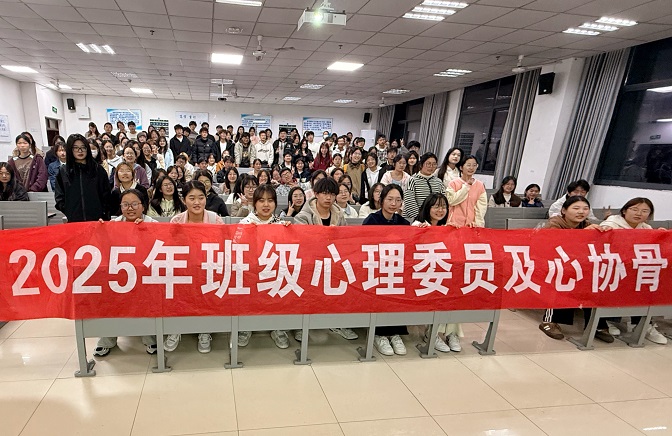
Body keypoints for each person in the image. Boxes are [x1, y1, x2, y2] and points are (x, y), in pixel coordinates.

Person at [93, 189, 158, 357]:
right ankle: (107, 339)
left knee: (146, 296)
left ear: (143, 206)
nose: (130, 208)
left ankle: (150, 338)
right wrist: (100, 230)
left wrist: (145, 231)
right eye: (125, 204)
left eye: (134, 204)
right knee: (108, 296)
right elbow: (103, 249)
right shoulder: (113, 224)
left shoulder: (153, 224)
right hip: (119, 275)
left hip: (145, 274)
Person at [539, 196, 612, 343]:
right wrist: (583, 234)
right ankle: (549, 321)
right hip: (553, 264)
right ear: (564, 210)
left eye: (585, 209)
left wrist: (605, 232)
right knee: (565, 277)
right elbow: (555, 247)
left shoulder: (587, 225)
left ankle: (596, 324)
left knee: (593, 281)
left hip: (579, 265)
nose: (581, 212)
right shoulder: (554, 223)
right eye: (576, 208)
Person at [165, 181, 224, 354]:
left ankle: (204, 331)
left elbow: (223, 246)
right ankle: (176, 328)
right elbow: (170, 249)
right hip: (183, 269)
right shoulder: (176, 221)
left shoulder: (215, 219)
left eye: (201, 197)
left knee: (207, 288)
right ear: (184, 200)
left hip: (208, 269)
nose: (197, 202)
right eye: (192, 198)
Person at [599, 197, 667, 344]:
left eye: (644, 211)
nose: (639, 214)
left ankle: (643, 324)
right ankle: (608, 320)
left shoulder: (647, 229)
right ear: (624, 210)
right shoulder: (611, 224)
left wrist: (662, 237)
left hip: (636, 270)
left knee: (648, 284)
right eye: (634, 209)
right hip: (614, 269)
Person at [294, 177, 354, 342]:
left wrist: (337, 237)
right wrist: (325, 236)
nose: (328, 198)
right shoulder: (303, 216)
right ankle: (301, 326)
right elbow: (301, 242)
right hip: (310, 263)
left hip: (333, 263)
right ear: (316, 194)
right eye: (325, 193)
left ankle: (336, 323)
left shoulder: (339, 215)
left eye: (332, 194)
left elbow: (346, 240)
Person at [239, 185, 291, 348]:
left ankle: (277, 328)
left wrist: (289, 232)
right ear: (255, 203)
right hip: (251, 272)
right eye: (261, 200)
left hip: (274, 272)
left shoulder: (282, 225)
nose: (266, 205)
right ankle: (245, 327)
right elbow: (235, 247)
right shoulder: (245, 223)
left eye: (270, 200)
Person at [362, 184, 410, 355]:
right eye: (389, 199)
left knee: (398, 294)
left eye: (397, 200)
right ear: (381, 200)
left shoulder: (404, 223)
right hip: (375, 270)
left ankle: (395, 333)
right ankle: (379, 334)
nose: (393, 203)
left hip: (396, 271)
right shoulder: (371, 220)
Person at [412, 194, 462, 352]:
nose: (440, 210)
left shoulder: (446, 228)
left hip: (442, 273)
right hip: (421, 275)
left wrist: (456, 232)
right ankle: (432, 334)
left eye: (443, 207)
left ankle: (451, 334)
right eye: (436, 206)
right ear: (428, 208)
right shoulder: (418, 225)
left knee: (455, 292)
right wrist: (417, 234)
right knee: (440, 292)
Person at [55, 134, 111, 222]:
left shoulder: (98, 169)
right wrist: (68, 211)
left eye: (83, 147)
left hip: (97, 220)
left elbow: (106, 195)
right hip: (74, 220)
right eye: (76, 148)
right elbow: (59, 197)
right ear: (70, 149)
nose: (80, 151)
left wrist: (103, 213)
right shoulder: (64, 171)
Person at [446, 155, 487, 227]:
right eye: (468, 165)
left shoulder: (480, 185)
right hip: (454, 224)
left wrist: (478, 224)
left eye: (474, 165)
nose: (471, 168)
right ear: (461, 167)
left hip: (471, 225)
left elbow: (481, 208)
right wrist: (466, 186)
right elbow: (451, 201)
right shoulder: (453, 183)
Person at [402, 152, 445, 221]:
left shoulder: (439, 182)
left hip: (433, 220)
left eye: (434, 164)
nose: (431, 167)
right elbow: (409, 202)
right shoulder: (412, 180)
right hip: (414, 220)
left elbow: (443, 201)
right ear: (421, 165)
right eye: (428, 164)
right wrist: (420, 219)